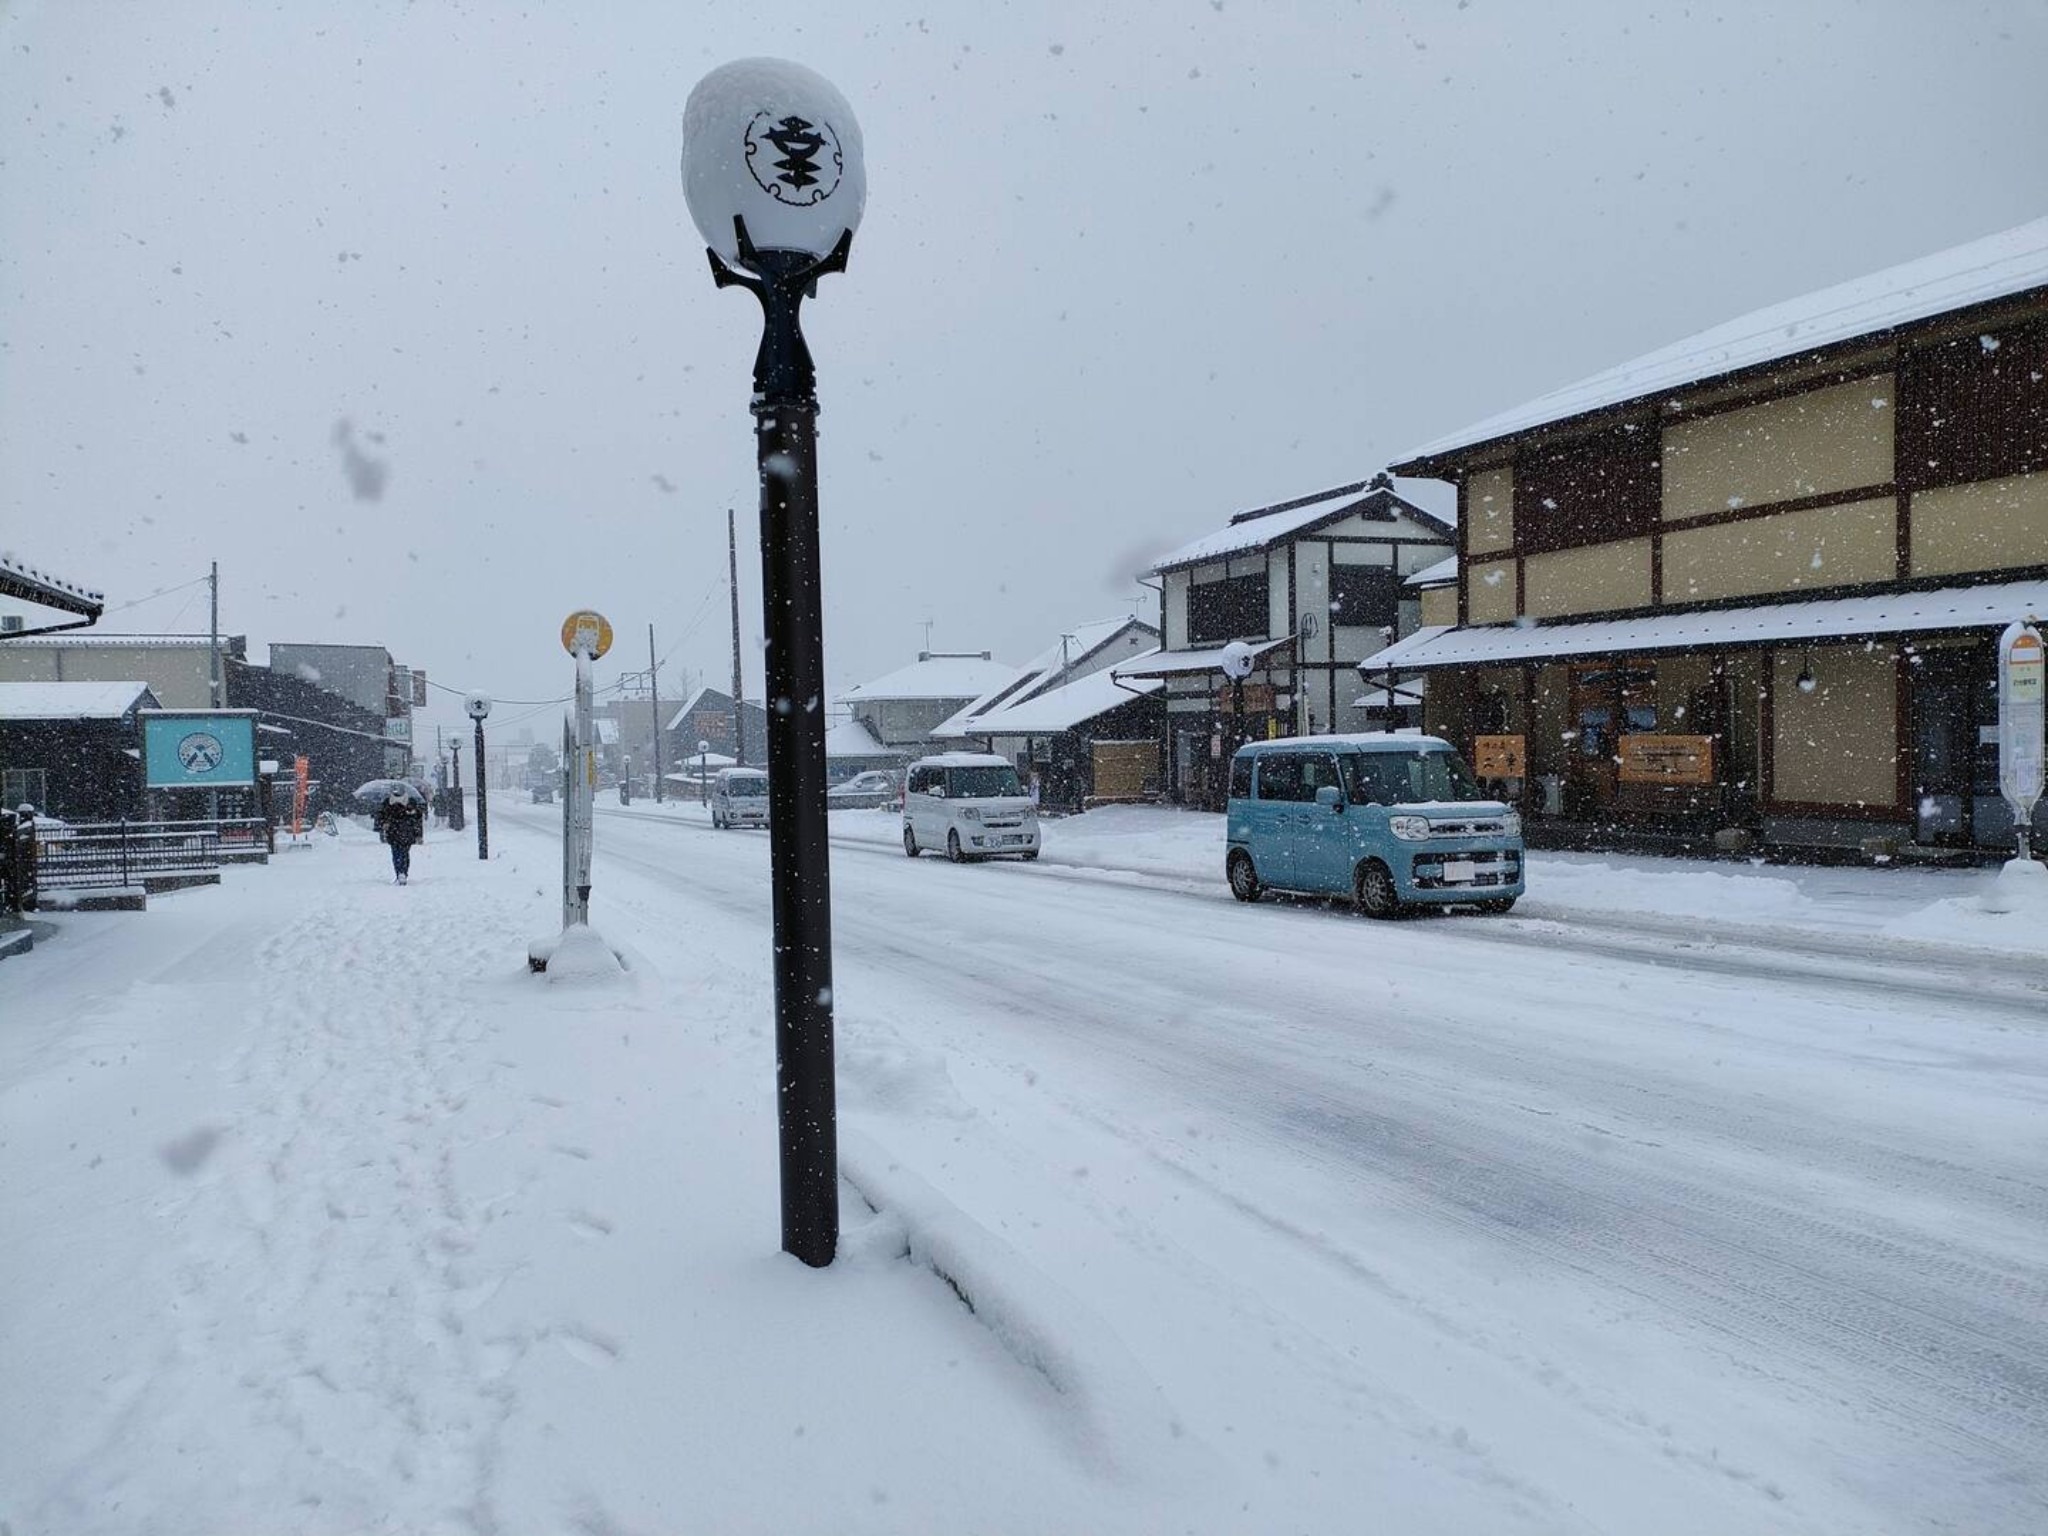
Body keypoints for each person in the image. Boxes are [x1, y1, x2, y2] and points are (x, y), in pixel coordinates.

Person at [373, 787, 425, 885]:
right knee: (399, 853)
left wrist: (418, 834)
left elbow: (417, 818)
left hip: (403, 832)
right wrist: (383, 823)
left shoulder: (408, 802)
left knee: (401, 853)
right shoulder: (388, 802)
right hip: (397, 832)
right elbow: (380, 816)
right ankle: (401, 873)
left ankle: (402, 873)